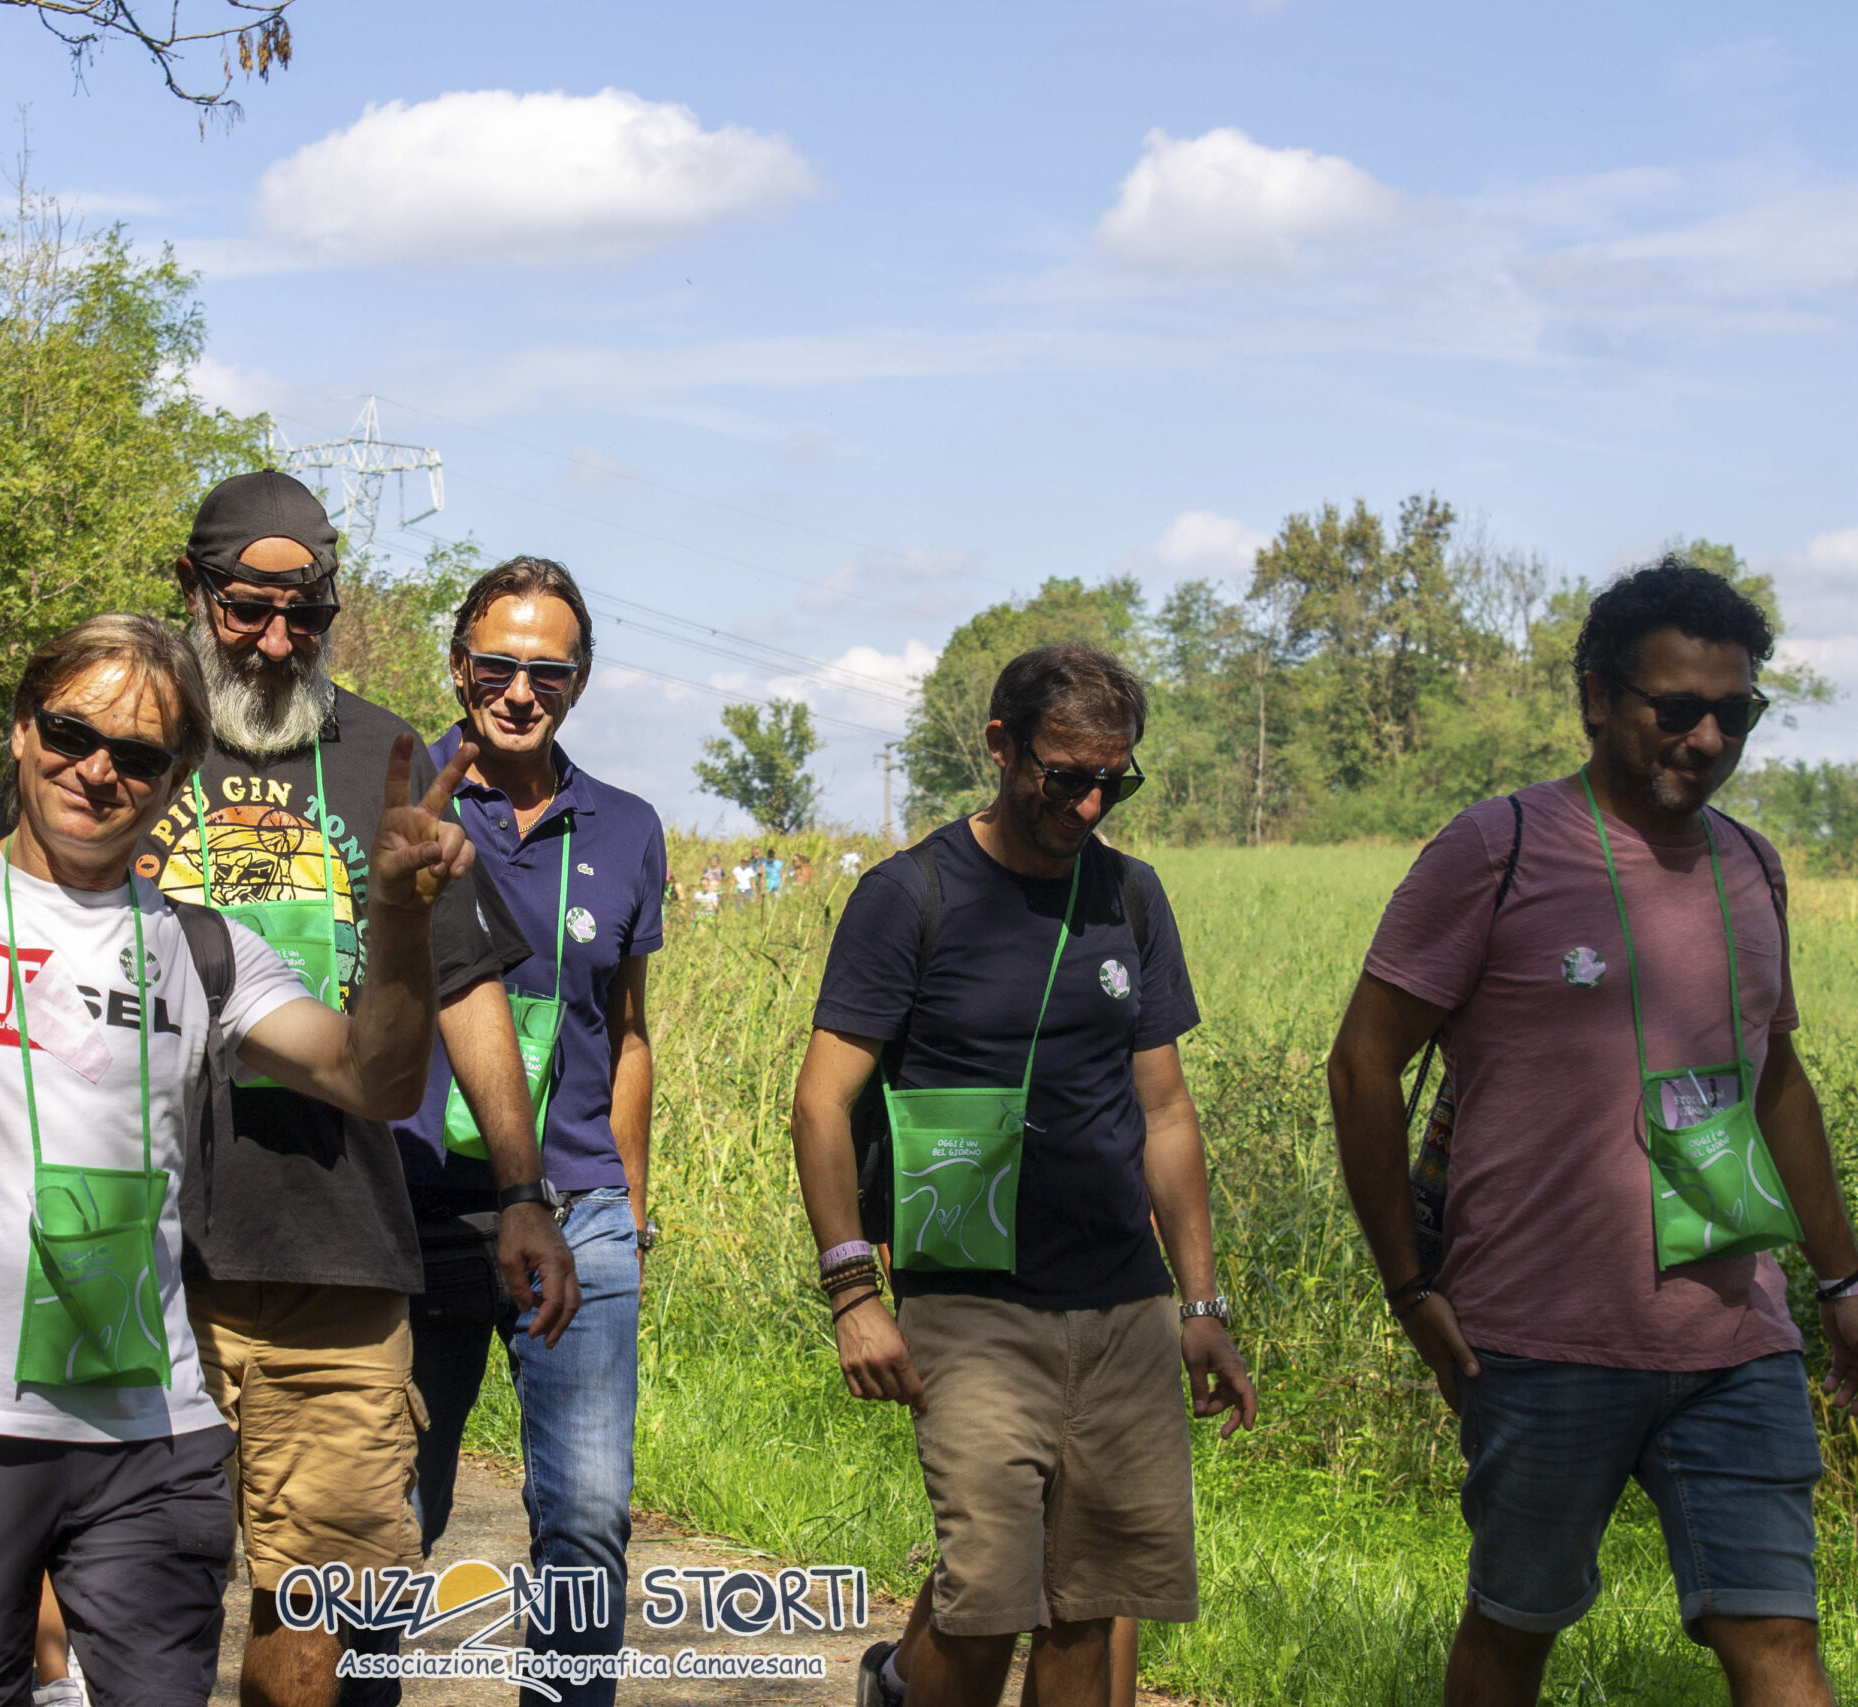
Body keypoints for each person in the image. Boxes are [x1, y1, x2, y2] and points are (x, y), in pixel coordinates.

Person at [0, 615, 483, 1707]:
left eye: (139, 755)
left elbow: (376, 1079)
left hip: (153, 1441)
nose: (98, 771)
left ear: (176, 780)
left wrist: (397, 916)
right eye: (71, 733)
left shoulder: (206, 949)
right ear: (22, 729)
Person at [1326, 557, 1858, 1707]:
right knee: (1513, 1628)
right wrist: (1408, 1287)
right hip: (1538, 1343)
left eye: (1735, 714)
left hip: (1738, 1339)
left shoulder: (1752, 868)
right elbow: (1363, 1064)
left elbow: (1776, 1080)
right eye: (1677, 709)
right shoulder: (1496, 849)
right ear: (1597, 699)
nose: (1707, 740)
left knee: (1778, 1639)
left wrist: (1842, 1282)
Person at [141, 471, 577, 1707]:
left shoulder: (386, 756)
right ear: (191, 590)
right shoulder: (119, 742)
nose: (278, 642)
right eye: (247, 610)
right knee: (128, 1587)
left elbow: (467, 989)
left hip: (331, 1249)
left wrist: (523, 1191)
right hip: (133, 1242)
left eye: (307, 613)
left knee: (314, 1603)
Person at [790, 643, 1256, 1707]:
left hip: (1123, 1306)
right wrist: (853, 1292)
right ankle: (899, 1684)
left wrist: (1200, 1306)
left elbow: (1165, 1113)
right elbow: (820, 1104)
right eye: (1066, 776)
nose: (1089, 805)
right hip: (971, 1311)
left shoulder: (1131, 897)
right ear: (1001, 745)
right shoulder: (909, 896)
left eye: (1113, 782)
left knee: (1089, 1605)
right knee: (984, 1603)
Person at [396, 558, 666, 1706]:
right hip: (416, 1205)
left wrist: (629, 1211)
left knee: (588, 1523)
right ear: (457, 665)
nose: (518, 691)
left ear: (580, 679)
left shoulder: (629, 828)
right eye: (496, 665)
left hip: (577, 1212)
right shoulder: (401, 798)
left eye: (547, 672)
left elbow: (630, 1031)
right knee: (392, 1522)